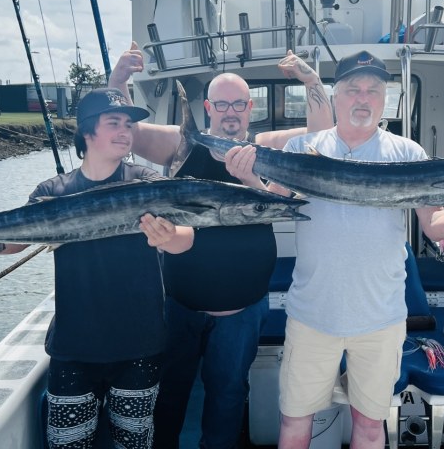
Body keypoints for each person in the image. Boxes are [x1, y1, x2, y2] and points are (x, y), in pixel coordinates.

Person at [225, 50, 444, 448]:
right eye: (353, 89)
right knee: (293, 424)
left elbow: (436, 224)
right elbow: (272, 203)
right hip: (311, 315)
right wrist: (249, 177)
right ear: (336, 96)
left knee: (371, 428)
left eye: (374, 90)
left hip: (381, 319)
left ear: (384, 98)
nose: (363, 98)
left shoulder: (409, 154)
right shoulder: (303, 148)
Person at [0, 87, 195, 448]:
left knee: (133, 442)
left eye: (128, 124)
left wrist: (167, 237)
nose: (125, 131)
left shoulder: (147, 183)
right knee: (67, 444)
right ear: (87, 131)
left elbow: (185, 237)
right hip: (74, 347)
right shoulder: (54, 191)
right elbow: (13, 241)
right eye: (114, 123)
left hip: (139, 345)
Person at [108, 44, 333, 449]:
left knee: (228, 398)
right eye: (222, 104)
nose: (231, 112)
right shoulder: (184, 144)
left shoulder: (266, 145)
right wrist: (117, 82)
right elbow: (131, 134)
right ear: (209, 108)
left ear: (250, 109)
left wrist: (311, 80)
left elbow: (320, 133)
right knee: (170, 397)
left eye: (239, 105)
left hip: (243, 312)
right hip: (180, 308)